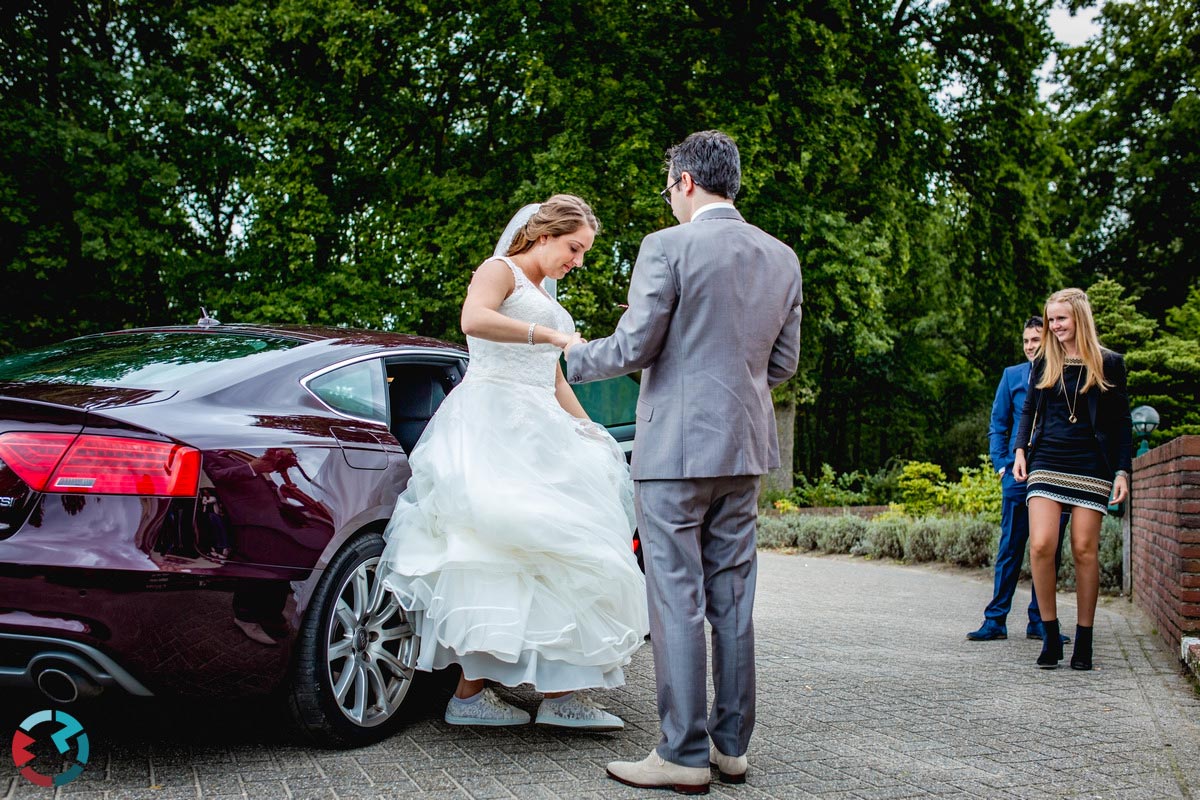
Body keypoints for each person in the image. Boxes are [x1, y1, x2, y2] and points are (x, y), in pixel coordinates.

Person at [565, 131, 802, 793]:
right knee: (732, 601)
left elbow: (636, 343)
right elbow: (782, 364)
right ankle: (731, 749)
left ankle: (681, 754)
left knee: (674, 600)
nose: (669, 201)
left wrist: (570, 358)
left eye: (670, 188)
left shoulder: (665, 247)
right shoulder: (782, 258)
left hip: (674, 451)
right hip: (745, 450)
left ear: (688, 183)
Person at [378, 194, 648, 731]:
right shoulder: (498, 270)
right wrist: (547, 333)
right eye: (575, 248)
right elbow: (473, 319)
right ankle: (470, 695)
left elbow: (553, 379)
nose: (578, 260)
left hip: (542, 427)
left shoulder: (549, 295)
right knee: (495, 547)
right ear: (544, 234)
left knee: (566, 550)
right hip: (492, 423)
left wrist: (588, 430)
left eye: (584, 252)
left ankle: (562, 693)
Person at [1013, 288, 1132, 670]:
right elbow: (1029, 408)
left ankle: (1084, 639)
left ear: (1079, 317)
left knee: (1084, 549)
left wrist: (1122, 470)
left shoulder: (1109, 363)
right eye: (1050, 319)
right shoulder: (1045, 359)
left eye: (1060, 318)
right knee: (1042, 545)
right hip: (1047, 458)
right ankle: (1049, 633)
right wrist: (1019, 450)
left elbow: (1122, 423)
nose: (1054, 326)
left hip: (1091, 464)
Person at [968, 316, 1070, 644]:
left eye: (1035, 341)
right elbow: (997, 424)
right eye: (1026, 341)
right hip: (1017, 475)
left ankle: (1039, 621)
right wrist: (1001, 465)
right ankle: (995, 620)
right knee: (1010, 548)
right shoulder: (1011, 376)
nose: (1029, 346)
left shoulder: (1064, 375)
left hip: (1054, 473)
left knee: (1049, 550)